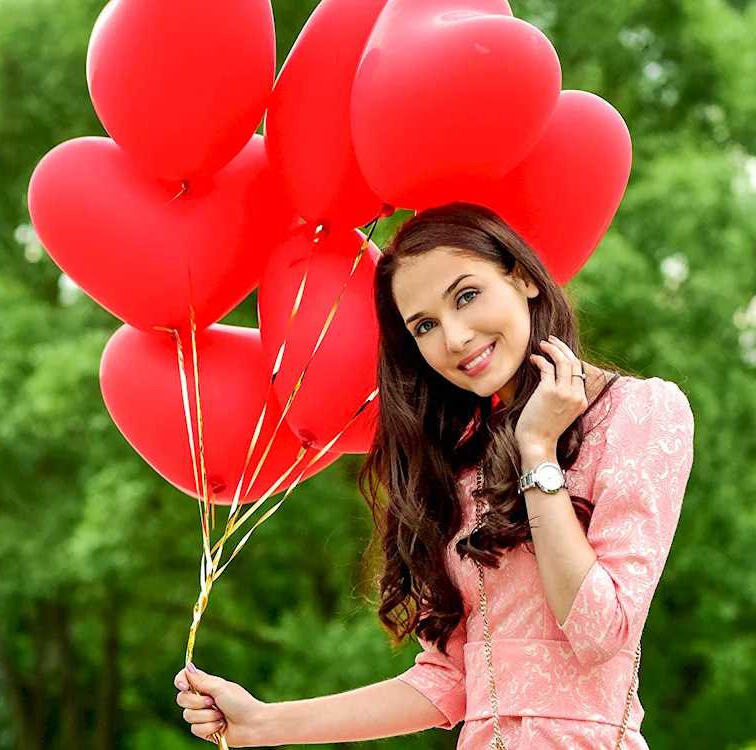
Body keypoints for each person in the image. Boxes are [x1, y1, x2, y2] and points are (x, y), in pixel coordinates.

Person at [172, 203, 695, 749]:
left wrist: (537, 451)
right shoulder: (461, 457)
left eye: (467, 296)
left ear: (522, 277)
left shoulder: (641, 413)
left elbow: (598, 632)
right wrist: (263, 723)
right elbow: (450, 680)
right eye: (425, 326)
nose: (456, 337)